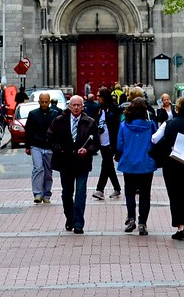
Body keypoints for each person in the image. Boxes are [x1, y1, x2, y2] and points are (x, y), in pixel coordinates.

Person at [150, 96, 184, 240]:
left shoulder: (168, 124)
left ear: (177, 108)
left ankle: (180, 226)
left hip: (171, 163)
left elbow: (154, 138)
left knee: (174, 194)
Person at [47, 94, 100, 233]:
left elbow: (96, 143)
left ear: (83, 107)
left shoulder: (90, 122)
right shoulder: (59, 121)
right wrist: (62, 150)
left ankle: (78, 223)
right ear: (69, 106)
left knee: (80, 193)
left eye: (79, 105)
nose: (76, 108)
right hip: (65, 162)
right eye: (73, 105)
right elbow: (51, 139)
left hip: (82, 163)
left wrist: (87, 150)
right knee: (67, 193)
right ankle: (69, 218)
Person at [116, 96, 158, 236]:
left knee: (129, 193)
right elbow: (155, 142)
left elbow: (120, 145)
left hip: (129, 164)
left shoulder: (124, 125)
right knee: (145, 194)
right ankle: (142, 223)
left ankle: (131, 218)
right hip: (146, 164)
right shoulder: (151, 125)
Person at [24, 93, 61, 203]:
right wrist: (27, 146)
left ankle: (46, 194)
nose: (44, 104)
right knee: (38, 168)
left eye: (46, 102)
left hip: (50, 146)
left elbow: (59, 131)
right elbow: (28, 131)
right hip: (36, 145)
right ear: (39, 102)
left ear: (49, 102)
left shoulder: (56, 114)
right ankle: (37, 193)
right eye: (42, 102)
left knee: (48, 171)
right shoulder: (33, 114)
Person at [92, 89, 122, 200]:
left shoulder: (114, 109)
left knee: (106, 164)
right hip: (101, 141)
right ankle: (117, 188)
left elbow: (116, 125)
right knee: (108, 165)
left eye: (99, 96)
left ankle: (100, 190)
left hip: (111, 141)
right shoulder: (98, 109)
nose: (98, 98)